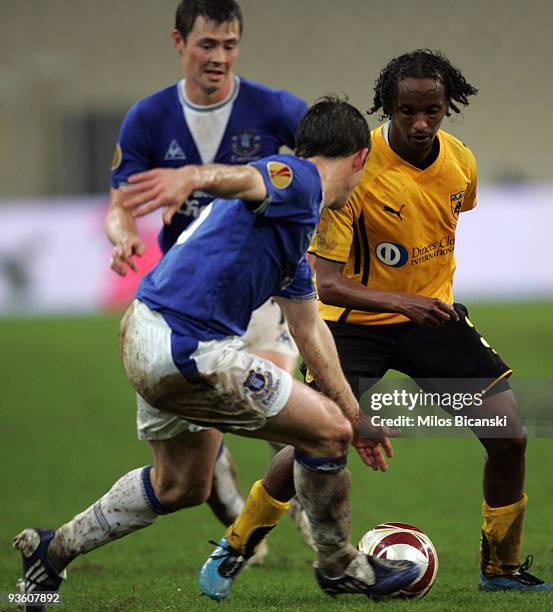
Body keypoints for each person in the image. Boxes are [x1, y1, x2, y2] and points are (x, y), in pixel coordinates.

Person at [14, 98, 421, 603]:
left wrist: (357, 414)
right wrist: (191, 177)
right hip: (190, 344)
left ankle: (50, 553)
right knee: (327, 434)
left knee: (181, 485)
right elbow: (251, 178)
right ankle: (340, 564)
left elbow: (310, 329)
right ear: (360, 158)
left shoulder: (291, 232)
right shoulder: (300, 179)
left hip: (145, 331)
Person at [201, 49, 553, 597]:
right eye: (407, 110)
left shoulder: (461, 161)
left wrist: (421, 303)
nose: (420, 123)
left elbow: (437, 232)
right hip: (352, 326)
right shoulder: (357, 166)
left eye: (432, 111)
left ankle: (502, 570)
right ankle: (237, 545)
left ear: (447, 106)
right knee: (315, 441)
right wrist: (402, 300)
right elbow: (327, 281)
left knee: (508, 436)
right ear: (388, 105)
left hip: (430, 320)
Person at [104, 0, 312, 551]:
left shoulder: (274, 108)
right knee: (195, 479)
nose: (219, 57)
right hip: (192, 301)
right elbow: (120, 203)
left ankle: (316, 528)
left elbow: (323, 162)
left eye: (229, 45)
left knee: (285, 403)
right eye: (207, 45)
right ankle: (226, 492)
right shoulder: (149, 118)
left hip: (262, 293)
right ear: (179, 43)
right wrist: (123, 233)